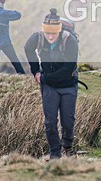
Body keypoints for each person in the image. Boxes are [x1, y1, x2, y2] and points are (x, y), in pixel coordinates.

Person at [24, 8, 80, 160]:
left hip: (68, 85)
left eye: (53, 33)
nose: (50, 36)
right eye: (47, 33)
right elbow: (28, 49)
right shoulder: (38, 38)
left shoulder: (70, 41)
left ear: (59, 30)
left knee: (68, 121)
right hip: (49, 87)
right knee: (50, 122)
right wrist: (35, 71)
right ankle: (55, 154)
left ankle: (67, 147)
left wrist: (44, 78)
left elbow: (68, 68)